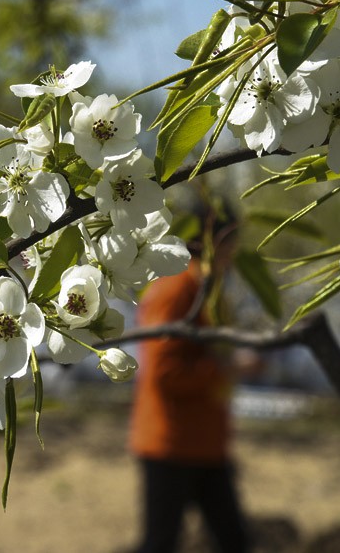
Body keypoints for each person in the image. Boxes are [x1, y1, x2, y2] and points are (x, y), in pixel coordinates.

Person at [128, 216, 253, 553]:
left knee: (234, 539)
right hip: (170, 444)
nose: (235, 254)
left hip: (206, 444)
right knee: (160, 543)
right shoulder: (176, 287)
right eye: (230, 245)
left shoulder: (208, 287)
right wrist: (227, 367)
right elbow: (164, 373)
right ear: (210, 244)